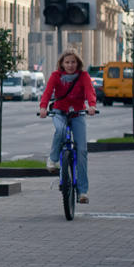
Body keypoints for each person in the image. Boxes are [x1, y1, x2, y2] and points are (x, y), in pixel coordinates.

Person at [38, 49, 97, 204]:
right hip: (59, 111)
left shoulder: (83, 76)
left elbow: (90, 92)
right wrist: (43, 107)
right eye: (67, 62)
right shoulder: (56, 76)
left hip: (78, 113)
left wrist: (91, 106)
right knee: (61, 130)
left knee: (82, 150)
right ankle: (53, 159)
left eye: (73, 62)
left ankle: (83, 191)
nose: (70, 65)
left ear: (78, 63)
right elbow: (47, 92)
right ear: (62, 64)